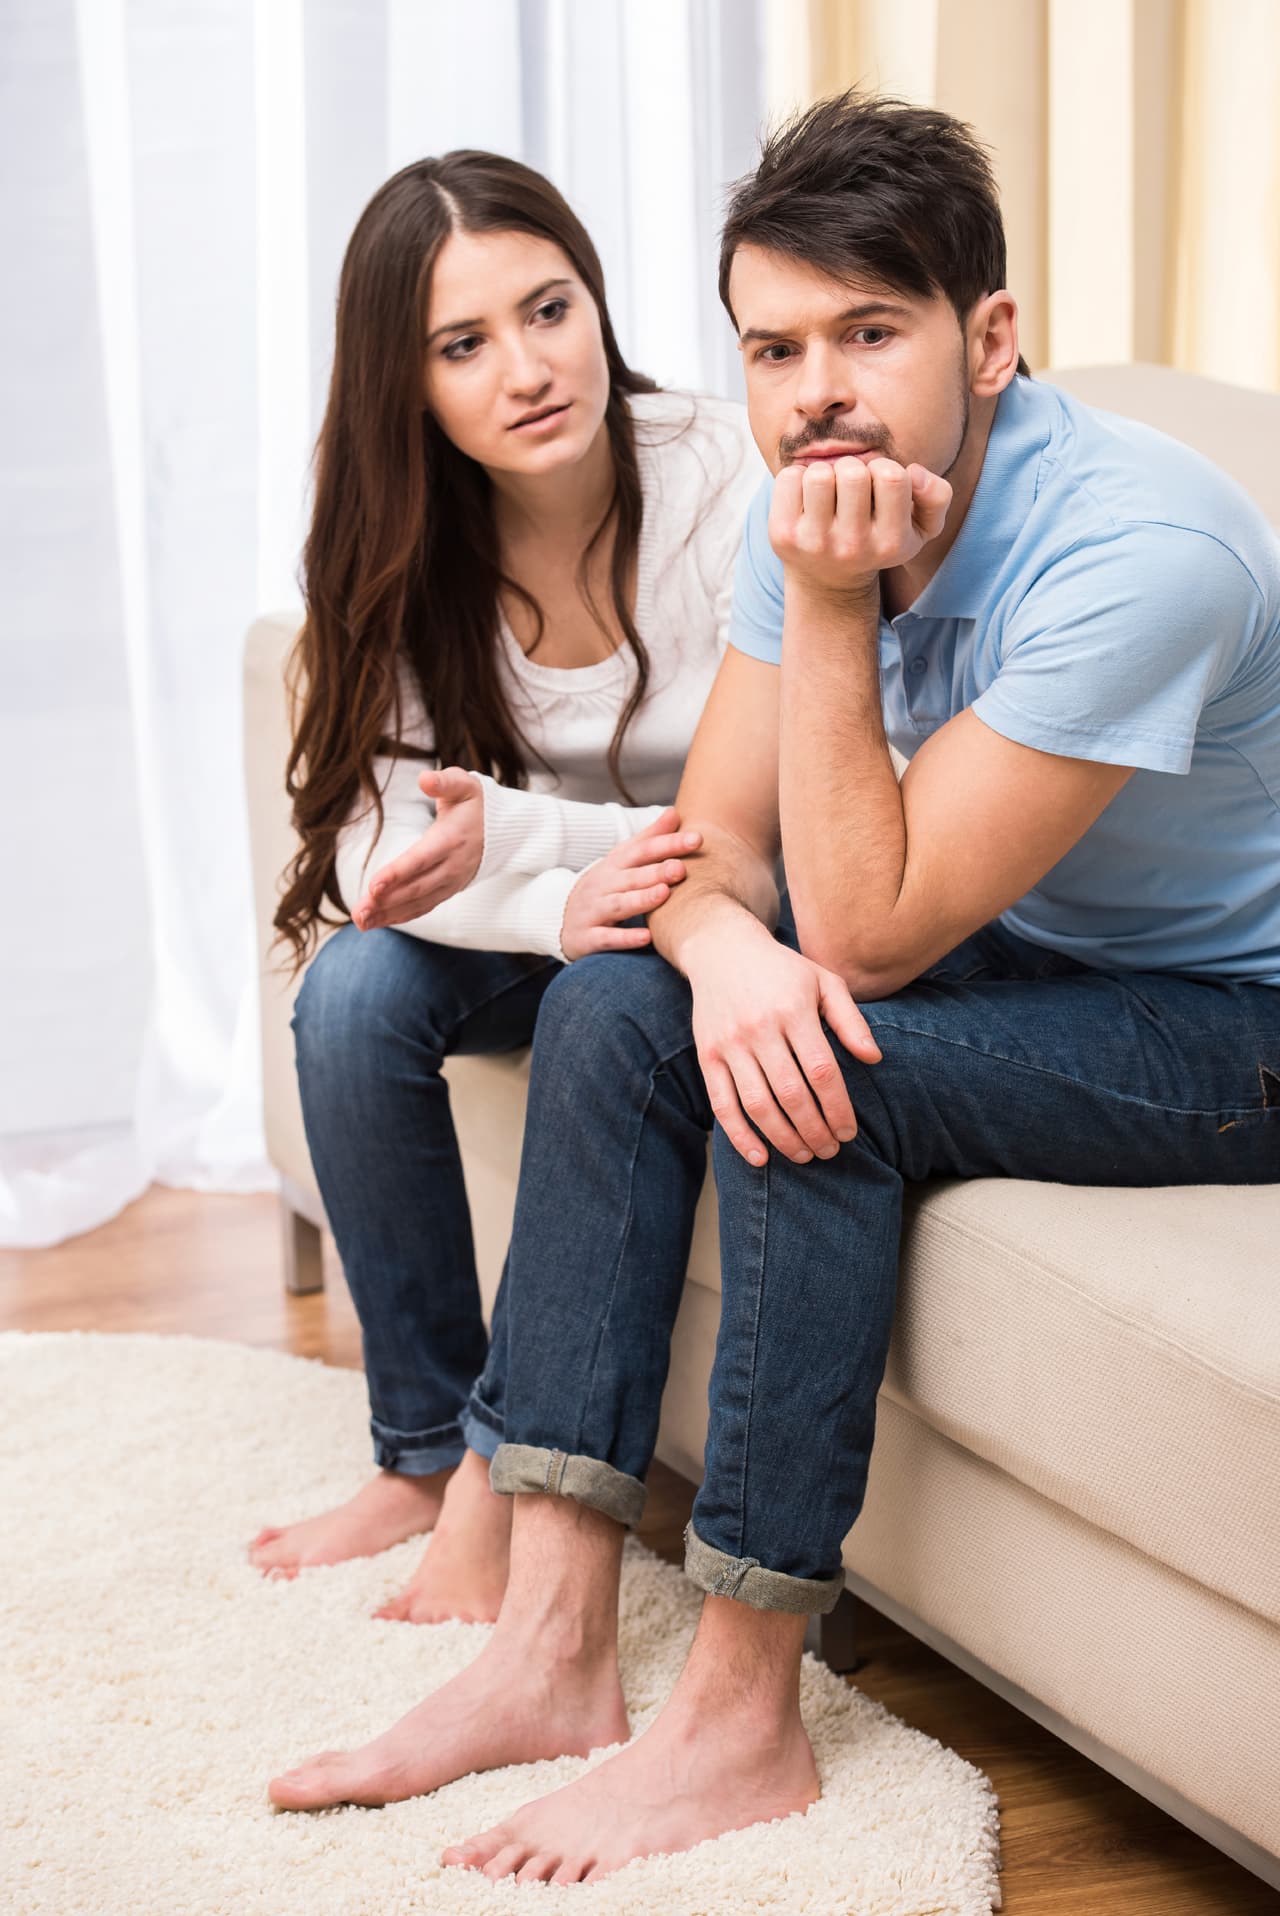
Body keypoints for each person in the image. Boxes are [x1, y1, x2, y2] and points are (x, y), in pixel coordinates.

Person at [268, 91, 1280, 1887]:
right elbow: (720, 853)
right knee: (622, 1007)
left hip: (1237, 1023)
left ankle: (741, 1715)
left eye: (870, 335)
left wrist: (824, 612)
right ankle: (552, 1647)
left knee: (822, 1063)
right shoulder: (814, 492)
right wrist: (720, 941)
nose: (816, 389)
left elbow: (873, 937)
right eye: (775, 346)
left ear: (990, 339)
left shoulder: (1144, 550)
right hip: (1031, 949)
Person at [251, 149, 760, 1624]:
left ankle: (496, 1471)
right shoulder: (401, 542)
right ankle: (417, 1452)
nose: (528, 369)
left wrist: (555, 855)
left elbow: (768, 802)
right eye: (463, 346)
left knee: (613, 978)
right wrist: (545, 902)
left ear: (597, 300)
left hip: (716, 897)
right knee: (349, 998)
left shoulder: (724, 473)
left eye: (550, 310)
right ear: (403, 386)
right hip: (544, 911)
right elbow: (370, 857)